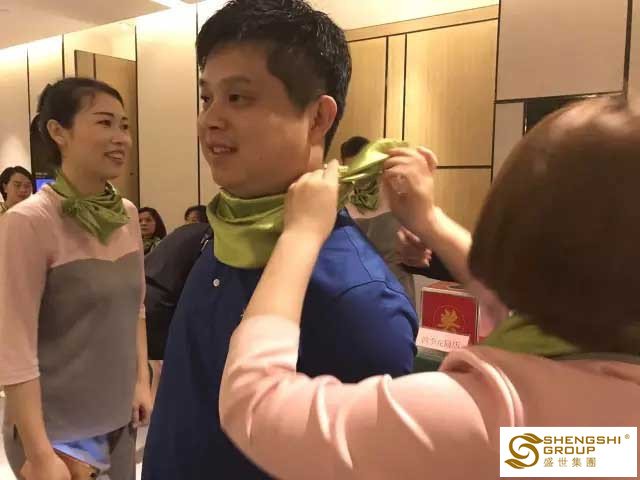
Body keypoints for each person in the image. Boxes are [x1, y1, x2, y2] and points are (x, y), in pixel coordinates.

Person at [217, 97, 640, 479]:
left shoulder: (486, 424)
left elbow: (256, 404)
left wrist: (300, 235)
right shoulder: (593, 442)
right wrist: (429, 220)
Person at [142, 1, 417, 478]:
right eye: (207, 98)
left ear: (318, 118)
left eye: (238, 98)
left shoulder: (359, 298)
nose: (210, 119)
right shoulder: (219, 236)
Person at [0, 78, 152, 480]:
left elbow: (136, 308)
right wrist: (39, 453)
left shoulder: (126, 213)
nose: (120, 138)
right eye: (104, 123)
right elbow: (13, 346)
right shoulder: (29, 221)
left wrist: (141, 379)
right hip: (55, 434)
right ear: (58, 132)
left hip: (119, 420)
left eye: (124, 125)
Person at [340, 136, 417, 301]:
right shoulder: (342, 196)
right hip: (358, 284)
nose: (359, 178)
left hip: (396, 279)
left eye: (363, 169)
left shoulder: (393, 188)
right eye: (353, 170)